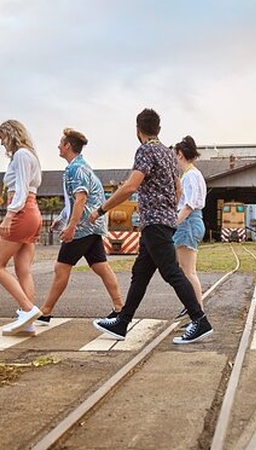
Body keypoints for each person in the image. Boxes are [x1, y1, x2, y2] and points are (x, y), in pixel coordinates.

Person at [90, 109, 213, 345]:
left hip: (155, 224)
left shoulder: (145, 150)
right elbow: (177, 189)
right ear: (158, 128)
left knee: (172, 272)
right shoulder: (168, 154)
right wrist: (165, 208)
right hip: (160, 222)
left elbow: (130, 187)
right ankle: (122, 322)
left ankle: (199, 320)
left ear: (138, 130)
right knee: (140, 274)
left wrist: (101, 210)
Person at [36, 128, 124, 326]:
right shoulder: (79, 166)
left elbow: (81, 199)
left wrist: (72, 226)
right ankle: (120, 308)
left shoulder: (77, 169)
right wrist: (62, 218)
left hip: (83, 226)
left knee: (61, 267)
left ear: (68, 146)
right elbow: (73, 201)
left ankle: (46, 311)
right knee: (100, 266)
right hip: (91, 225)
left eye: (61, 142)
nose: (58, 146)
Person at [0, 120, 43, 336]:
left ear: (11, 134)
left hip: (22, 211)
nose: (1, 143)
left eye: (2, 137)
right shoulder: (31, 156)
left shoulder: (21, 155)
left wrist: (9, 216)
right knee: (23, 269)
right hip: (33, 211)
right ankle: (27, 321)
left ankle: (28, 310)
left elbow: (20, 189)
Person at [172, 135, 207, 318]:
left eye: (174, 154)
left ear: (179, 154)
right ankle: (192, 306)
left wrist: (173, 223)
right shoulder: (192, 174)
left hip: (188, 222)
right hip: (190, 222)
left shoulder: (191, 175)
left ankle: (197, 312)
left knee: (188, 271)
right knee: (185, 270)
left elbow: (188, 205)